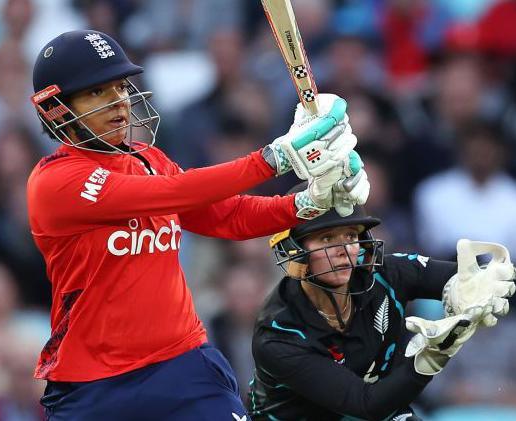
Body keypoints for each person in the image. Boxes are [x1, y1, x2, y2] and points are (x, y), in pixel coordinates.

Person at [26, 30, 370, 420]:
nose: (119, 102)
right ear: (57, 109)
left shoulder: (147, 159)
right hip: (94, 385)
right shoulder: (55, 182)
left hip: (182, 366)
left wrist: (307, 204)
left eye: (120, 87)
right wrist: (272, 159)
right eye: (96, 93)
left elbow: (227, 215)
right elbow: (175, 193)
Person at [249, 188, 516, 421]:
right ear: (294, 248)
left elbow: (463, 277)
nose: (344, 249)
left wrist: (477, 283)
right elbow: (367, 405)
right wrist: (430, 358)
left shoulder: (386, 274)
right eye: (327, 238)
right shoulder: (278, 336)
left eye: (351, 236)